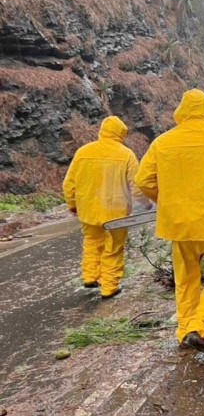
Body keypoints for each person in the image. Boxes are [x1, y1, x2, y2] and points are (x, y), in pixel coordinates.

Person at [135, 89, 204, 354]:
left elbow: (143, 181)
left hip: (178, 224)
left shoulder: (162, 143)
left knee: (186, 277)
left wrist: (165, 201)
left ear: (182, 112)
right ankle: (201, 327)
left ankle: (185, 329)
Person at [63, 116, 149, 299]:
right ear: (121, 133)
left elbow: (69, 184)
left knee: (92, 243)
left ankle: (90, 276)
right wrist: (146, 203)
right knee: (113, 248)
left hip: (88, 210)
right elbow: (136, 184)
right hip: (116, 213)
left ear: (101, 130)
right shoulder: (126, 154)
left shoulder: (83, 152)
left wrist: (72, 204)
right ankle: (109, 287)